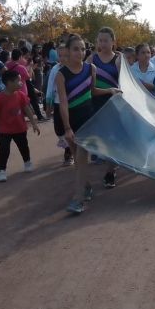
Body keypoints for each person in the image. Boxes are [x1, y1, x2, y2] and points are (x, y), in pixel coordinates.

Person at [56, 35, 120, 214]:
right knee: (78, 160)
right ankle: (87, 186)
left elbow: (92, 91)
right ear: (68, 51)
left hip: (88, 119)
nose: (80, 52)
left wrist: (110, 90)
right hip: (71, 120)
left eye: (83, 49)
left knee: (82, 158)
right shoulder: (61, 75)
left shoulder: (90, 68)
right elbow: (63, 102)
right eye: (76, 49)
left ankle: (79, 200)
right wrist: (67, 128)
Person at [0, 69, 40, 182]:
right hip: (5, 130)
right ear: (9, 83)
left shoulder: (21, 95)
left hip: (20, 128)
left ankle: (27, 162)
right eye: (18, 81)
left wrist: (34, 124)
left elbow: (27, 110)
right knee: (4, 149)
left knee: (24, 146)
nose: (21, 83)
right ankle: (1, 170)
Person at [45, 43, 74, 166]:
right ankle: (69, 146)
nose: (63, 58)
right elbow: (50, 87)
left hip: (71, 103)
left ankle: (69, 153)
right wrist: (48, 105)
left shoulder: (74, 68)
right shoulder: (55, 69)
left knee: (70, 128)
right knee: (58, 129)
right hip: (57, 102)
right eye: (60, 55)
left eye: (65, 55)